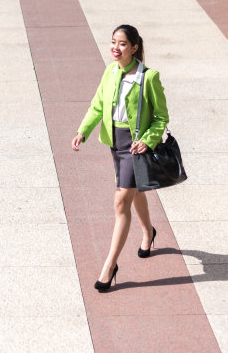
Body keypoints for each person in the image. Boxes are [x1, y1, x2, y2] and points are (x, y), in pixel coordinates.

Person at [71, 24, 169, 291]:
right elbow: (98, 104)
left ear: (135, 48)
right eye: (113, 42)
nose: (116, 47)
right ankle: (149, 232)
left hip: (135, 146)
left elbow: (161, 118)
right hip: (115, 141)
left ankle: (110, 266)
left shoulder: (148, 77)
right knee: (135, 192)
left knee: (120, 201)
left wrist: (147, 141)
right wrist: (83, 130)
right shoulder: (111, 71)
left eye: (123, 43)